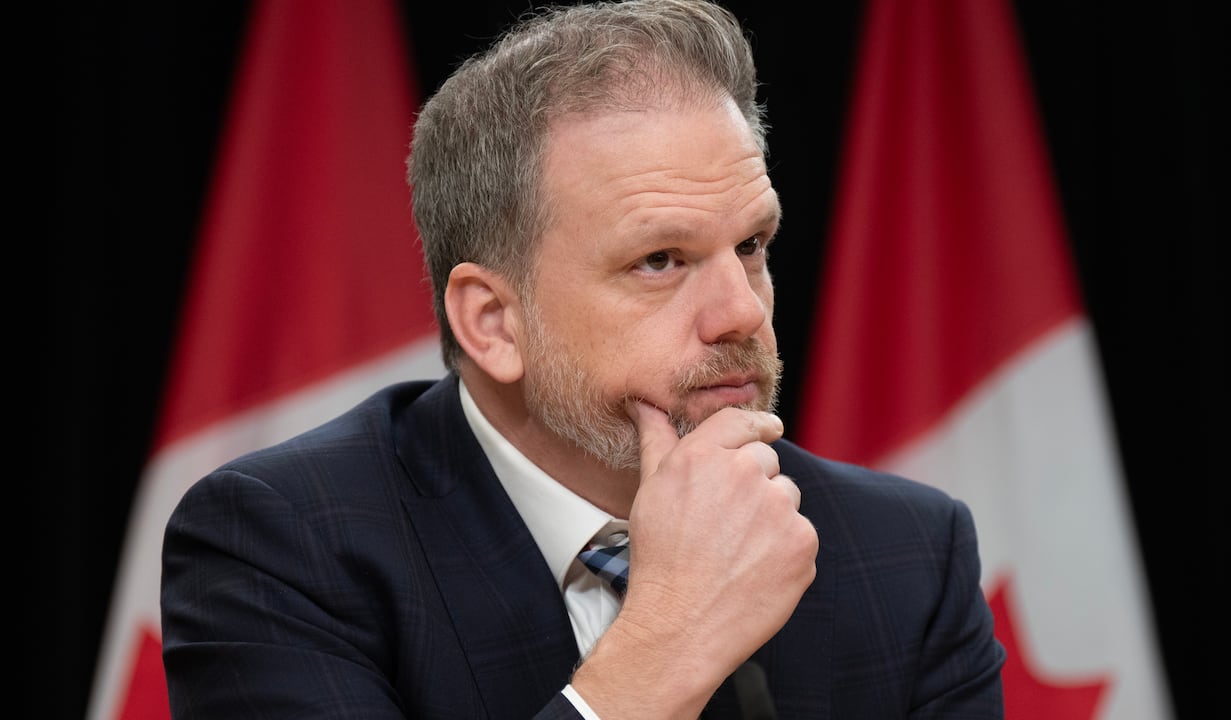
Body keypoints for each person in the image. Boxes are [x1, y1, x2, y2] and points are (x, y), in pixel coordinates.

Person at [159, 0, 1006, 717]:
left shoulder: (908, 554)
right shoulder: (282, 545)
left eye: (751, 245)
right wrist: (665, 640)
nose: (743, 312)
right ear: (492, 323)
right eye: (660, 261)